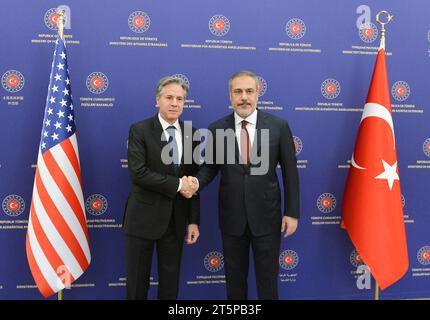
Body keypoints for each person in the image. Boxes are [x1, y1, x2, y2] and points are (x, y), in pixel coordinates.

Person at [186, 70, 300, 299]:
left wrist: (292, 213)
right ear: (230, 96)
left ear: (258, 93)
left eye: (249, 91)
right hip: (232, 219)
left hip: (267, 218)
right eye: (238, 92)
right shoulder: (217, 128)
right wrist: (195, 181)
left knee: (267, 282)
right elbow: (210, 167)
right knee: (234, 283)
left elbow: (290, 172)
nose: (244, 97)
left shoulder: (278, 126)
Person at [123, 76, 200, 300]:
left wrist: (193, 219)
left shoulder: (191, 133)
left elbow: (192, 179)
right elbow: (138, 173)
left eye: (180, 99)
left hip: (175, 221)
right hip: (142, 220)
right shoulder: (140, 130)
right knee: (137, 286)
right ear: (158, 100)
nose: (175, 103)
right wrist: (178, 185)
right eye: (169, 97)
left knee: (170, 286)